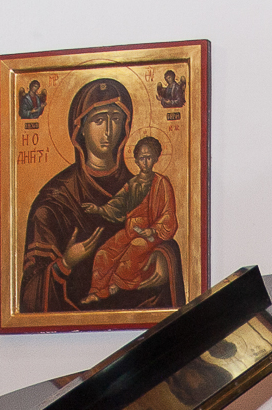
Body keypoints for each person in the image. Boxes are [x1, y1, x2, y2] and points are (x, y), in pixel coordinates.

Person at [18, 76, 184, 315]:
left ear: (125, 126)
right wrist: (66, 263)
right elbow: (30, 293)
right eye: (98, 120)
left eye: (115, 119)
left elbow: (163, 226)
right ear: (81, 129)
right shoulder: (55, 200)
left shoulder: (144, 185)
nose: (108, 130)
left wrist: (164, 257)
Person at [82, 137, 178, 303]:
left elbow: (168, 214)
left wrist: (152, 230)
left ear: (156, 158)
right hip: (130, 231)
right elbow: (118, 204)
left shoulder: (162, 184)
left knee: (135, 247)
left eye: (149, 157)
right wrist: (98, 209)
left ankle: (116, 283)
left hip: (151, 234)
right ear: (136, 160)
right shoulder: (132, 184)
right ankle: (97, 291)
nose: (145, 162)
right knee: (104, 252)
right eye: (141, 158)